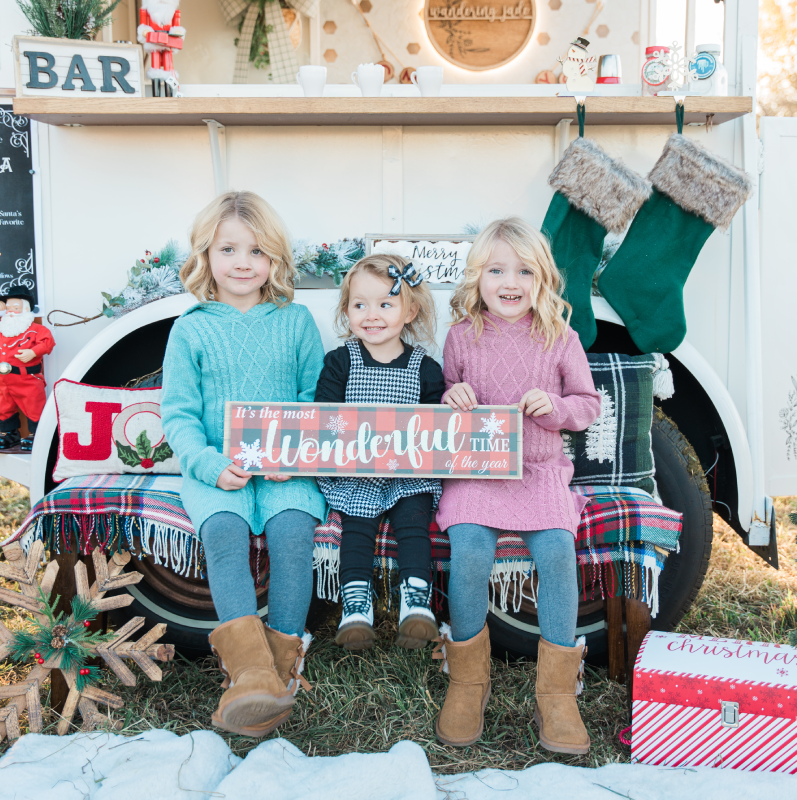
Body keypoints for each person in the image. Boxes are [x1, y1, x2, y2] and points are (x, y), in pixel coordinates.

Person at [161, 191, 325, 737]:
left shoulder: (296, 320)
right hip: (218, 468)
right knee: (226, 533)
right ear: (206, 255)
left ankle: (280, 670)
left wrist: (291, 454)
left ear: (274, 260)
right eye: (228, 249)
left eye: (256, 252)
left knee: (293, 533)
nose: (242, 262)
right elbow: (179, 414)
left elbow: (313, 399)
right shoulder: (191, 328)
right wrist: (208, 465)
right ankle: (249, 674)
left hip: (285, 468)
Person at [435, 217, 601, 754]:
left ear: (543, 278)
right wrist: (453, 397)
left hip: (540, 471)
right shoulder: (463, 336)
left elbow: (588, 405)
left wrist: (555, 409)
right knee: (469, 551)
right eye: (497, 269)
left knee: (556, 552)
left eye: (524, 270)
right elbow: (446, 394)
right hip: (477, 473)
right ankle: (468, 681)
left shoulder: (560, 337)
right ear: (477, 278)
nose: (511, 281)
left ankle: (555, 693)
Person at [314, 254, 445, 651]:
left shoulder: (426, 367)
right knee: (357, 526)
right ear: (347, 310)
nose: (371, 315)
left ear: (410, 311)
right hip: (356, 472)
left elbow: (440, 431)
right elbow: (323, 417)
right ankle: (356, 605)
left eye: (385, 304)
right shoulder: (340, 362)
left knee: (413, 520)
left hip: (409, 473)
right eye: (359, 305)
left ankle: (416, 600)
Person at [0, 292, 55, 452]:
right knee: (2, 407)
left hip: (26, 377)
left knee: (34, 405)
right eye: (7, 307)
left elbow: (48, 342)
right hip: (1, 379)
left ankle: (37, 434)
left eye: (16, 307)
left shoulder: (36, 329)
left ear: (26, 308)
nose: (10, 311)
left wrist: (33, 352)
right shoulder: (0, 328)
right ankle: (9, 433)